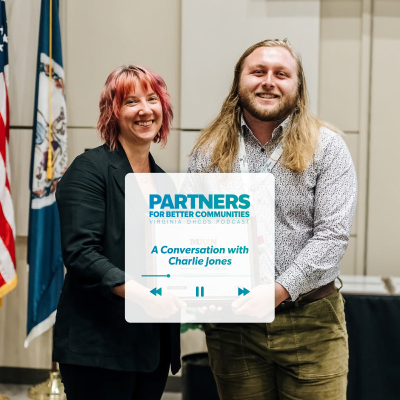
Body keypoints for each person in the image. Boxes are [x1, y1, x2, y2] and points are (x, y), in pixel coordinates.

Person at [188, 39, 357, 400]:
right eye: (258, 72)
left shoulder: (327, 147)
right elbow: (194, 232)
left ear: (298, 86)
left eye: (281, 74)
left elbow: (332, 235)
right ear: (239, 81)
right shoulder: (208, 151)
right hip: (234, 327)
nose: (268, 81)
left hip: (311, 321)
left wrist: (278, 291)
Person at [53, 65, 186, 400]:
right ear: (112, 113)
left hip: (152, 346)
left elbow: (173, 257)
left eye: (152, 99)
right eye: (131, 101)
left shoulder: (166, 182)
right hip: (100, 346)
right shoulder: (88, 170)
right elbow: (81, 254)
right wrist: (143, 295)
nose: (145, 109)